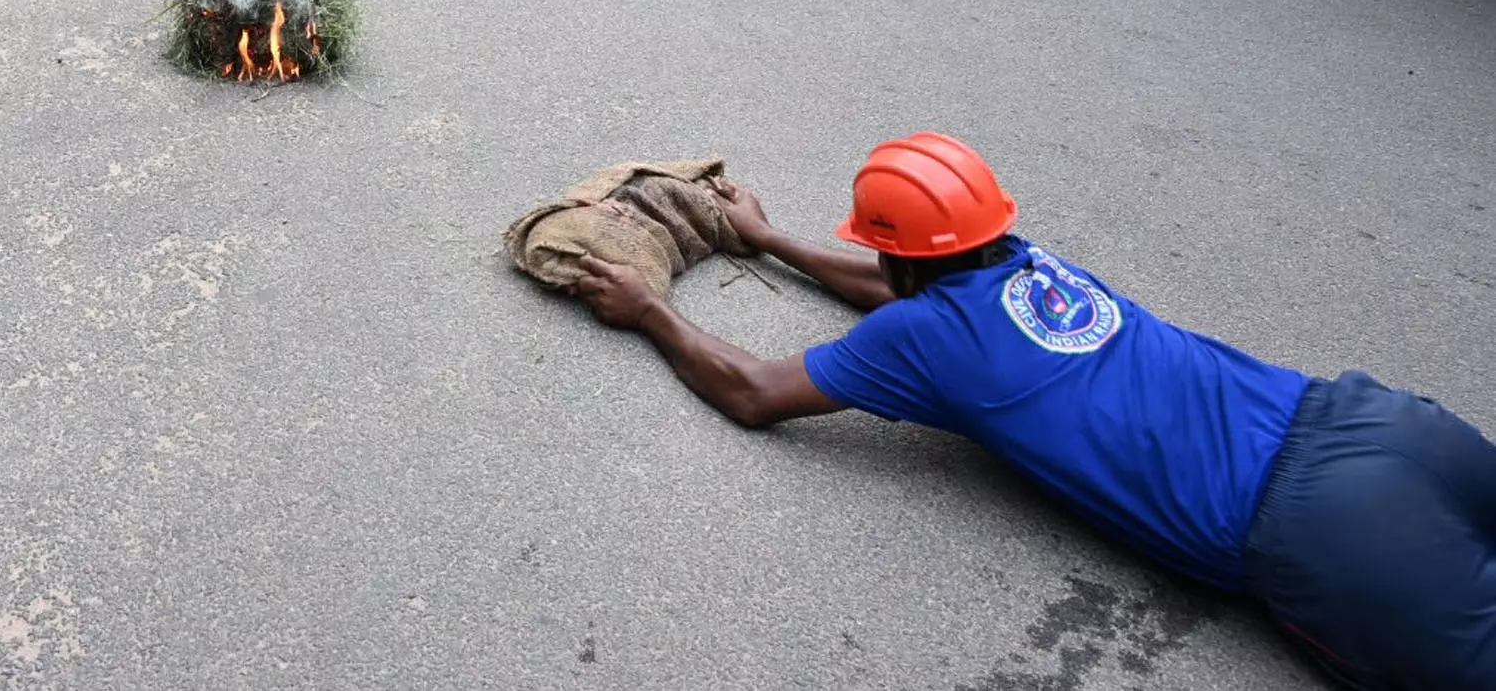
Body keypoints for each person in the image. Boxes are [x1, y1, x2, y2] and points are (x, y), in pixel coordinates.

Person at [569, 133, 1496, 691]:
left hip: (1321, 530)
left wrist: (650, 310)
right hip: (1378, 423)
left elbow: (756, 392)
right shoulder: (1030, 260)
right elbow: (912, 294)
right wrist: (768, 239)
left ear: (899, 262)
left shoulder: (922, 336)